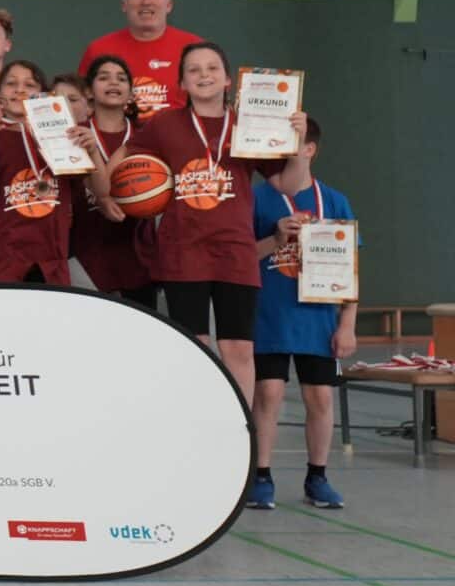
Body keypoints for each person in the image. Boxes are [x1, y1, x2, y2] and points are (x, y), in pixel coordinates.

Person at [94, 41, 302, 403]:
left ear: (227, 81)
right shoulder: (164, 124)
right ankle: (201, 420)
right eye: (194, 70)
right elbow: (125, 156)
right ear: (182, 84)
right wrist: (108, 194)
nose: (203, 75)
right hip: (182, 248)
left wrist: (296, 145)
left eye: (212, 68)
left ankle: (241, 433)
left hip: (235, 250)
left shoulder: (249, 125)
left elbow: (287, 184)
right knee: (195, 346)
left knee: (238, 347)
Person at [250, 116, 355, 510]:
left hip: (317, 316)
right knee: (269, 392)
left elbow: (350, 270)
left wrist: (347, 324)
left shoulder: (334, 200)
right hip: (268, 312)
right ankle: (261, 477)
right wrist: (275, 237)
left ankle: (318, 476)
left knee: (320, 398)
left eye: (291, 141)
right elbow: (241, 258)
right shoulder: (256, 198)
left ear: (309, 149)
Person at [0, 60, 102, 284]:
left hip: (50, 258)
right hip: (5, 258)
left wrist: (94, 151)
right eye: (11, 84)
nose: (20, 89)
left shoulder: (64, 134)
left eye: (29, 85)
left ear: (42, 94)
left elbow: (102, 190)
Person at [73, 55, 153, 307]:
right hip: (84, 248)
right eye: (103, 77)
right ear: (89, 91)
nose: (113, 83)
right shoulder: (74, 132)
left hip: (136, 252)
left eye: (121, 78)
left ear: (131, 92)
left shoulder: (147, 135)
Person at [77, 0, 202, 120]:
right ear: (124, 5)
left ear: (169, 5)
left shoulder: (197, 49)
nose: (146, 2)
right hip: (117, 141)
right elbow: (83, 105)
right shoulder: (98, 50)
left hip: (180, 140)